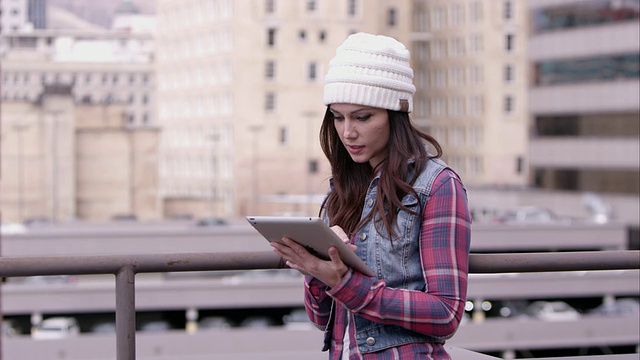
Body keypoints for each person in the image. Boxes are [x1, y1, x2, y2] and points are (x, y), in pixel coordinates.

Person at [271, 32, 471, 360]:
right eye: (338, 117)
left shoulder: (437, 185)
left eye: (362, 117)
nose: (348, 131)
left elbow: (445, 314)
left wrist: (347, 282)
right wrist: (317, 270)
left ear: (395, 114)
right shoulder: (342, 189)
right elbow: (322, 318)